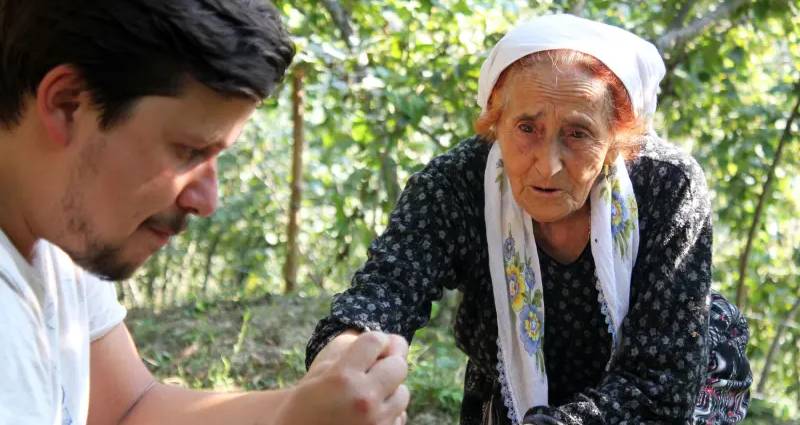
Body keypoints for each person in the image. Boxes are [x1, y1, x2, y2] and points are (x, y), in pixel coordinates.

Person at [307, 14, 751, 425]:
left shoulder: (666, 185)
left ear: (617, 141)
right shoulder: (457, 183)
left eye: (578, 134)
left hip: (659, 394)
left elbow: (662, 382)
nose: (548, 165)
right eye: (526, 128)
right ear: (495, 121)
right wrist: (344, 355)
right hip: (511, 383)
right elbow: (387, 290)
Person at [0, 1, 409, 424]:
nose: (207, 200)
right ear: (68, 103)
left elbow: (127, 407)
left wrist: (312, 405)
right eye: (189, 151)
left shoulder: (58, 233)